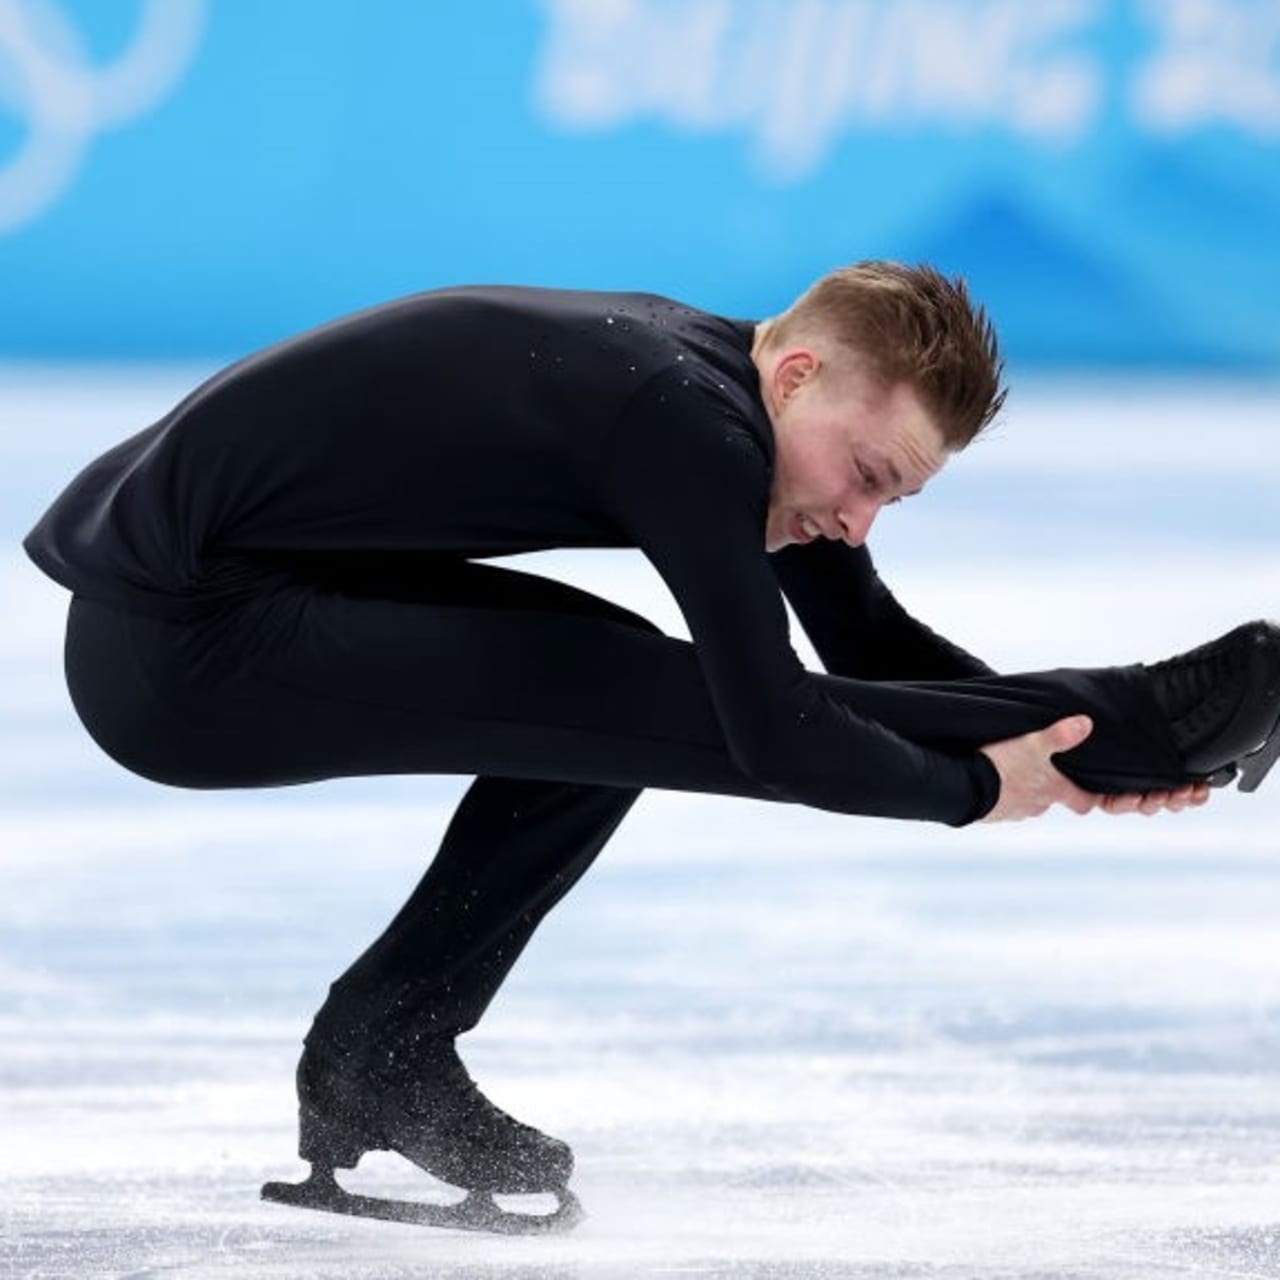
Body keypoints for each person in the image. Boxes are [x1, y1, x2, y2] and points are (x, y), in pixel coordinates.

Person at [22, 262, 1279, 1231]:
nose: (855, 517)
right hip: (179, 653)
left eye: (891, 498)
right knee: (634, 693)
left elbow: (864, 645)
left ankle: (381, 1059)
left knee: (608, 699)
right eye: (866, 473)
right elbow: (772, 728)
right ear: (793, 379)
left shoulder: (731, 383)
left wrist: (1063, 748)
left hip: (227, 595)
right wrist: (978, 783)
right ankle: (1161, 706)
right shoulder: (681, 419)